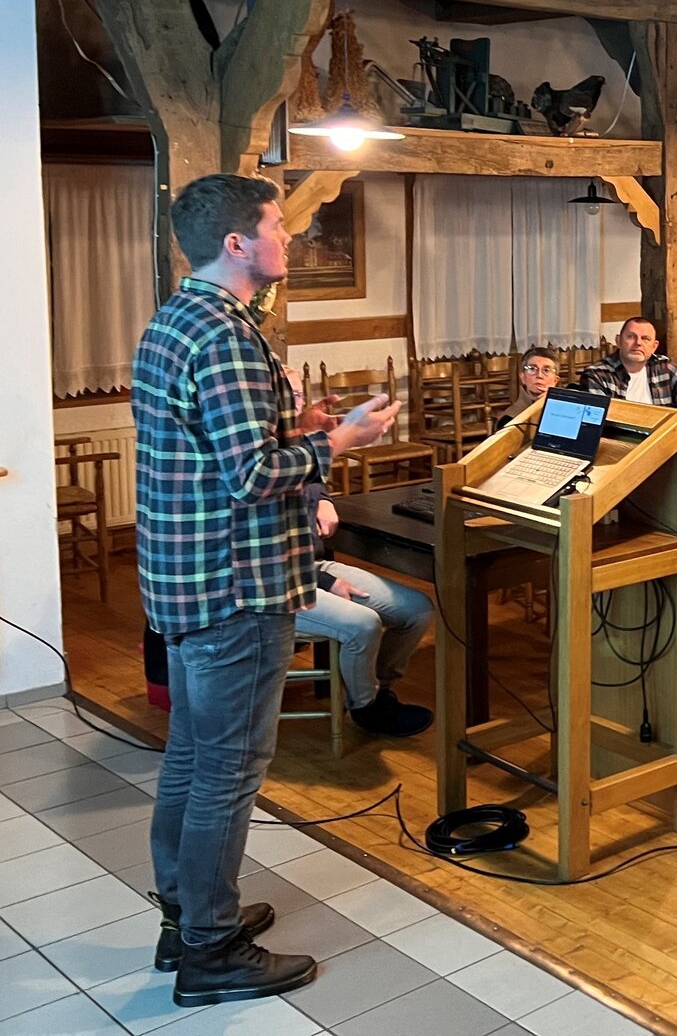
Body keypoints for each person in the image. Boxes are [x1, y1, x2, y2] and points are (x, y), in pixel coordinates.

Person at [134, 174, 399, 1006]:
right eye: (278, 224)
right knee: (227, 770)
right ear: (239, 244)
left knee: (191, 756)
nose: (292, 236)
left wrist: (306, 425)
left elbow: (221, 445)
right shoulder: (223, 335)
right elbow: (249, 475)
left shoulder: (180, 318)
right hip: (237, 582)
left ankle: (187, 918)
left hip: (185, 576)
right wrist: (341, 444)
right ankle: (210, 953)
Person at [305, 493, 434, 736]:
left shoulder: (290, 458)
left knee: (417, 610)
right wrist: (324, 581)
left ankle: (378, 691)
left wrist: (323, 499)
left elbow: (312, 477)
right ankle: (366, 706)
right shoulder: (242, 465)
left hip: (309, 564)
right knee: (364, 624)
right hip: (270, 583)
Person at [578, 317, 677, 409]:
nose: (638, 343)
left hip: (663, 440)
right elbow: (598, 418)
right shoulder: (597, 374)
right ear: (618, 341)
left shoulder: (662, 367)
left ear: (654, 346)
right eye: (631, 337)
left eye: (645, 339)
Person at [500, 346, 559, 426]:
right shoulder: (509, 418)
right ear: (523, 377)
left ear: (555, 381)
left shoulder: (565, 411)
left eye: (546, 370)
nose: (539, 375)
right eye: (532, 369)